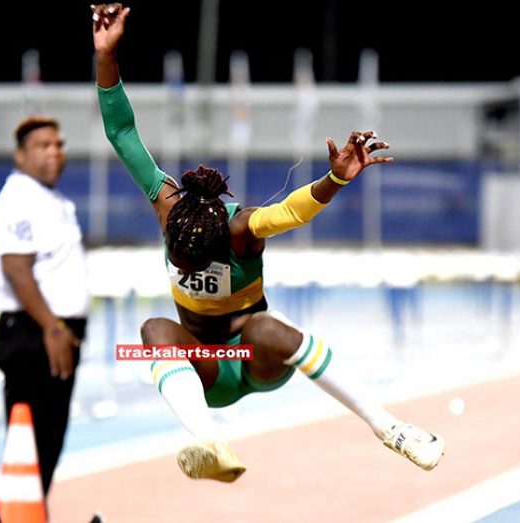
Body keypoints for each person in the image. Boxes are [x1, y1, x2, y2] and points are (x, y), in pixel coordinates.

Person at [91, 3, 446, 482]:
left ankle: (389, 428)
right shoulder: (167, 204)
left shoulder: (241, 228)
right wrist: (106, 55)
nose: (186, 264)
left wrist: (335, 180)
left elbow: (291, 210)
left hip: (255, 358)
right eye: (179, 258)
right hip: (208, 367)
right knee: (155, 328)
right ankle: (208, 444)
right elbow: (121, 130)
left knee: (267, 326)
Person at [0, 117, 91, 500]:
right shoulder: (19, 197)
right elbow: (16, 268)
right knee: (29, 446)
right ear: (20, 155)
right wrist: (52, 328)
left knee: (47, 444)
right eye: (42, 145)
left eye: (58, 144)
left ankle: (33, 511)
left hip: (55, 331)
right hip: (35, 332)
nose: (54, 152)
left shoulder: (54, 199)